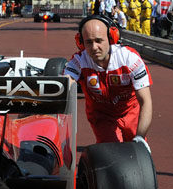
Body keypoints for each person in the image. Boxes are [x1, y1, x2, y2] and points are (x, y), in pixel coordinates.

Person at [64, 15, 152, 152]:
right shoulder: (78, 61)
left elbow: (145, 100)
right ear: (81, 42)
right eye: (88, 42)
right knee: (112, 152)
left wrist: (140, 136)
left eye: (99, 41)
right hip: (101, 115)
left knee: (138, 151)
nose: (94, 47)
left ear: (111, 38)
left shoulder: (130, 59)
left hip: (131, 112)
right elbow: (64, 85)